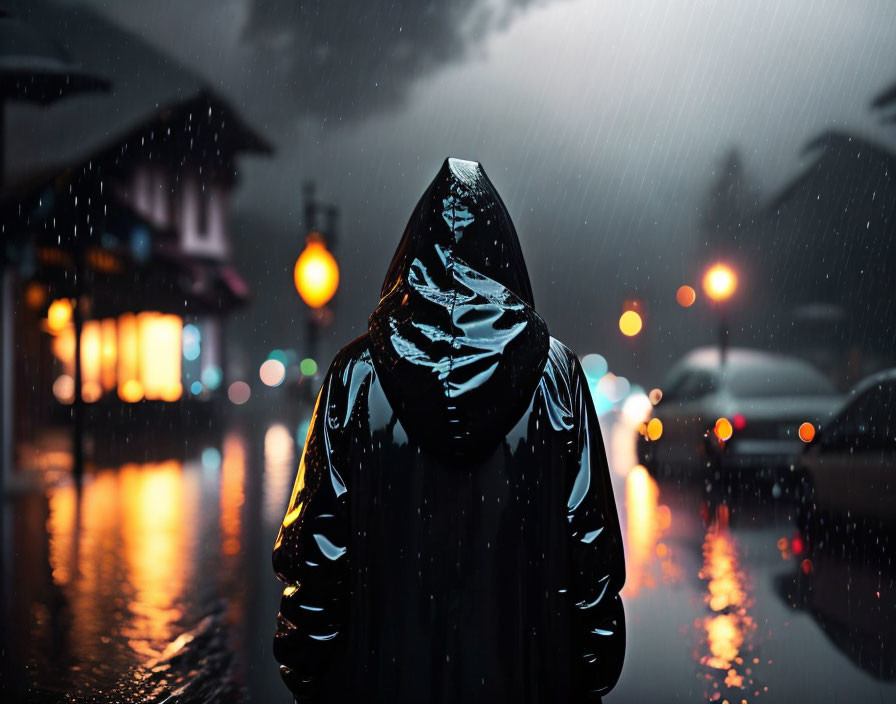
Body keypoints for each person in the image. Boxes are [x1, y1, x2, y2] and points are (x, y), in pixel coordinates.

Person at [273, 158, 625, 702]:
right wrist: (589, 669)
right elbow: (590, 547)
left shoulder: (356, 377)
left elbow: (318, 553)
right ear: (505, 256)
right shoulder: (557, 376)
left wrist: (310, 669)